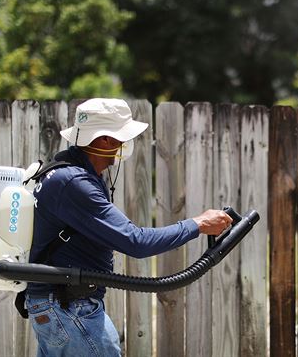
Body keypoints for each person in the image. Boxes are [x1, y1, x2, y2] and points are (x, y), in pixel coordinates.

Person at [24, 98, 232, 356]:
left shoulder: (65, 171)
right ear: (104, 140)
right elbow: (136, 241)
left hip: (58, 304)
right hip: (68, 307)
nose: (123, 145)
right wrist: (198, 224)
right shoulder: (74, 182)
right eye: (120, 137)